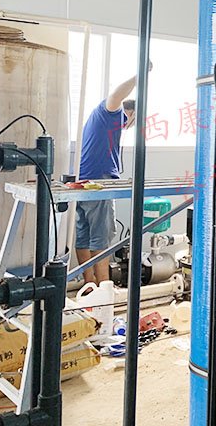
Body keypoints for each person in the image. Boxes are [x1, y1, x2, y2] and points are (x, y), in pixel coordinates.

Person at [76, 68, 149, 284]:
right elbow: (116, 96)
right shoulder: (111, 113)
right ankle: (104, 288)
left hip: (82, 181)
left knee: (84, 235)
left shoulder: (98, 120)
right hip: (98, 183)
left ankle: (89, 285)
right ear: (132, 113)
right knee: (102, 237)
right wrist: (139, 76)